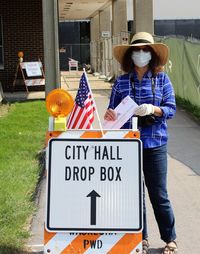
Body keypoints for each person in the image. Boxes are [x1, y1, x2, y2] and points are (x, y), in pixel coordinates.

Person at [104, 32, 177, 254]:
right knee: (134, 194)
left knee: (159, 194)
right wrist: (109, 114)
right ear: (130, 54)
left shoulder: (162, 79)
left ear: (152, 54)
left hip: (155, 144)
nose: (141, 54)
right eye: (137, 50)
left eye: (146, 50)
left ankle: (170, 239)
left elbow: (171, 109)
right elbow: (112, 112)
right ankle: (141, 239)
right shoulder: (121, 81)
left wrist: (153, 109)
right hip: (128, 146)